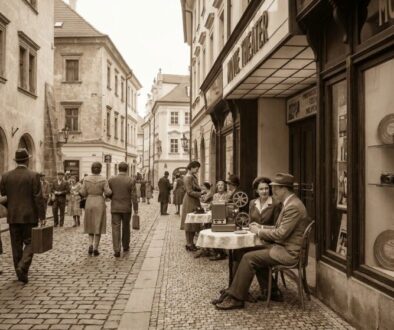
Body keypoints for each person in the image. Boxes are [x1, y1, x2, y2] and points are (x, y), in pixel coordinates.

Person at [214, 173, 309, 310]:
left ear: (284, 189)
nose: (273, 191)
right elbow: (279, 228)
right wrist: (260, 227)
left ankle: (237, 299)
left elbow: (281, 234)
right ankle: (238, 291)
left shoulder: (292, 206)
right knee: (242, 250)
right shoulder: (291, 203)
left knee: (249, 257)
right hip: (281, 247)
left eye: (275, 188)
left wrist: (258, 231)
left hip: (288, 252)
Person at [0, 148, 45, 284]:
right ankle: (23, 266)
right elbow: (38, 198)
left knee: (16, 245)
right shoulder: (33, 175)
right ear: (27, 160)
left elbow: (3, 194)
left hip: (13, 216)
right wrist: (42, 216)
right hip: (29, 215)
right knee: (31, 242)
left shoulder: (6, 176)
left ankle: (20, 273)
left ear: (16, 161)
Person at [231, 177, 282, 287]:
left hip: (269, 241)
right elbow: (250, 221)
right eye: (261, 189)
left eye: (266, 188)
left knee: (246, 254)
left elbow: (278, 228)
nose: (264, 191)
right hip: (254, 239)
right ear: (256, 191)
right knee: (237, 251)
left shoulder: (276, 204)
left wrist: (260, 227)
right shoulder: (252, 203)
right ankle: (234, 286)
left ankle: (268, 289)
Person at [80, 162, 112, 256]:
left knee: (90, 224)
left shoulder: (86, 179)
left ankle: (90, 244)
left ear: (91, 169)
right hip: (99, 202)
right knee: (98, 224)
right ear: (100, 169)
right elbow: (108, 192)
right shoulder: (103, 179)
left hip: (89, 202)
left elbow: (83, 193)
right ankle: (95, 248)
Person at [108, 162, 138, 258]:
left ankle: (116, 250)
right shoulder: (131, 180)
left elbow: (108, 193)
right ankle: (125, 246)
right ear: (127, 169)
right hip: (126, 208)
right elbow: (134, 196)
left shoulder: (112, 180)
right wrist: (136, 208)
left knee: (115, 228)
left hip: (115, 207)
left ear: (118, 169)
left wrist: (113, 197)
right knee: (126, 227)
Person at [180, 161, 202, 251]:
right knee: (190, 223)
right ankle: (189, 244)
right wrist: (200, 193)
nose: (197, 170)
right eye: (196, 168)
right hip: (190, 201)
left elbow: (195, 188)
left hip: (193, 200)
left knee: (193, 223)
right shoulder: (188, 177)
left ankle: (191, 243)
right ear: (192, 167)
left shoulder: (192, 176)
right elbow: (189, 191)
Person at [210, 180, 229, 261]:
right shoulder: (215, 195)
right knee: (215, 233)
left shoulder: (228, 195)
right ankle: (218, 251)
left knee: (223, 233)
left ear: (224, 187)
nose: (220, 186)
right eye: (219, 185)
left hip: (225, 216)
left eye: (222, 185)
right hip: (216, 216)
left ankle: (223, 251)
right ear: (217, 187)